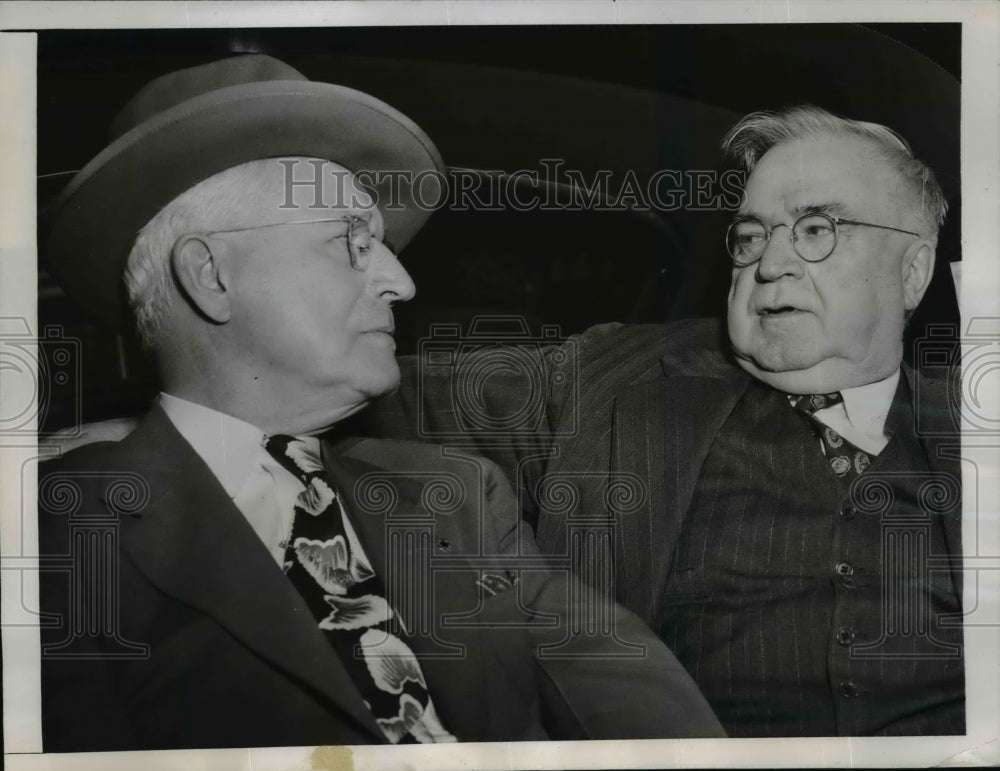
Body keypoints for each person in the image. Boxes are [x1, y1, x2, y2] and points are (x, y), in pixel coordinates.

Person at [36, 54, 724, 752]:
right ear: (209, 275)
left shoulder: (456, 495)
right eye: (352, 243)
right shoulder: (53, 534)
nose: (400, 281)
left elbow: (620, 686)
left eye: (384, 247)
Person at [365, 106, 965, 737]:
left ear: (913, 271)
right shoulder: (609, 378)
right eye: (752, 235)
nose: (770, 264)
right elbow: (361, 386)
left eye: (816, 229)